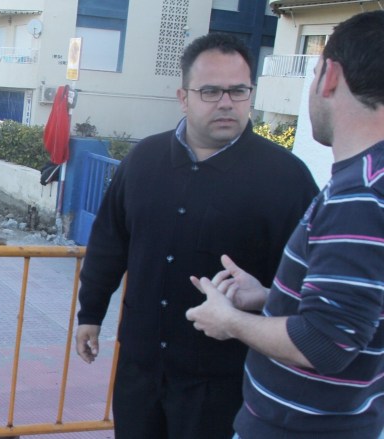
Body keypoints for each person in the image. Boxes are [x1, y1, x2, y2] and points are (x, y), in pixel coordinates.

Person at [74, 33, 319, 439]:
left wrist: (265, 299)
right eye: (210, 91)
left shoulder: (286, 178)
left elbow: (310, 282)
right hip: (140, 371)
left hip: (226, 384)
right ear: (183, 97)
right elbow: (109, 244)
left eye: (238, 91)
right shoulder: (143, 160)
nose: (226, 102)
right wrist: (90, 315)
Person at [185, 11, 384, 438]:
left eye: (313, 73)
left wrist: (229, 320)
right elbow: (359, 313)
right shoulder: (368, 181)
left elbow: (325, 344)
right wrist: (270, 297)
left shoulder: (360, 195)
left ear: (330, 77)